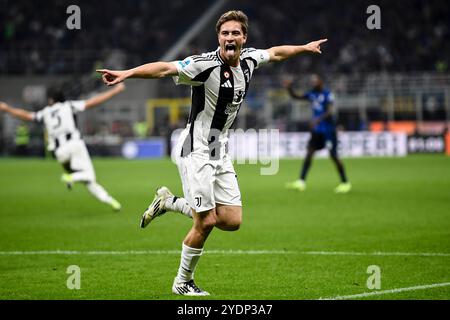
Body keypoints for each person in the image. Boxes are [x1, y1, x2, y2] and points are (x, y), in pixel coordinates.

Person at [97, 10, 327, 296]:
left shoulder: (250, 60)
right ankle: (182, 283)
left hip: (221, 148)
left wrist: (304, 48)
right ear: (218, 37)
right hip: (197, 148)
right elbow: (165, 68)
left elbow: (276, 53)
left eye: (235, 33)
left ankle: (167, 202)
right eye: (224, 33)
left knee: (231, 221)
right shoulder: (203, 65)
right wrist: (127, 73)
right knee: (205, 221)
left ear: (244, 37)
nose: (230, 37)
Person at [0, 83, 125, 211]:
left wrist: (7, 109)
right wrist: (115, 91)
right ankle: (71, 177)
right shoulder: (69, 106)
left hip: (60, 153)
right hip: (75, 145)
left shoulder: (46, 112)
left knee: (88, 181)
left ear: (50, 99)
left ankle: (111, 201)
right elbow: (92, 103)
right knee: (89, 175)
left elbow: (27, 116)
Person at [284, 74, 351, 193]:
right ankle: (301, 182)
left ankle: (345, 182)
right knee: (309, 153)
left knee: (333, 156)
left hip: (329, 131)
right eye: (312, 81)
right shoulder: (312, 94)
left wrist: (317, 120)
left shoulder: (327, 94)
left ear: (321, 82)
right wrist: (289, 89)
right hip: (317, 131)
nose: (313, 83)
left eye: (315, 81)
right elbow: (297, 97)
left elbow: (330, 111)